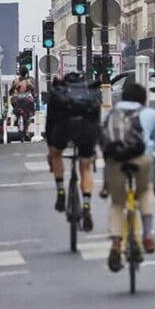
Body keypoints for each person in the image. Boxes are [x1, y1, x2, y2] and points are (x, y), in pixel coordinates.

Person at [102, 82, 155, 271]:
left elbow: (105, 148)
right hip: (141, 159)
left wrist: (106, 184)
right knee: (145, 191)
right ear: (143, 100)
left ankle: (116, 242)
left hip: (116, 161)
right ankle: (147, 236)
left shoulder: (110, 115)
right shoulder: (152, 115)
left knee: (117, 202)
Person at [45, 72, 102, 232]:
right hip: (87, 131)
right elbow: (97, 120)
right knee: (85, 166)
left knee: (57, 154)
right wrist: (95, 145)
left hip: (65, 129)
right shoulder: (91, 92)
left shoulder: (58, 92)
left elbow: (50, 123)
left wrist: (51, 148)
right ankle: (86, 204)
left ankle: (61, 189)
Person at [9, 68, 36, 141]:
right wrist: (33, 94)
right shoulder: (29, 81)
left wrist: (14, 92)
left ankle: (16, 117)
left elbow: (11, 91)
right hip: (26, 100)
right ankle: (26, 129)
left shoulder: (16, 81)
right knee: (28, 114)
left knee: (15, 105)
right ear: (26, 73)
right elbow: (32, 89)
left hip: (17, 99)